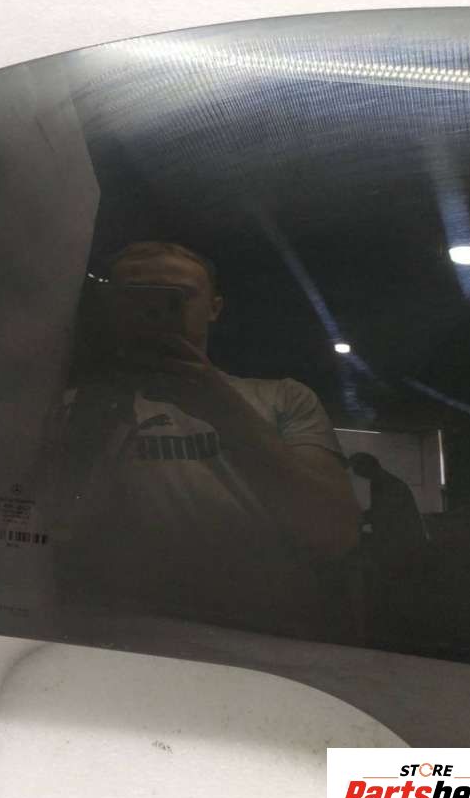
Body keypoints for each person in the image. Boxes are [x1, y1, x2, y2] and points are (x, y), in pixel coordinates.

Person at [48, 241, 362, 640]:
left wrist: (221, 406)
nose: (153, 310)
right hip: (114, 632)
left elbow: (335, 532)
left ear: (214, 307)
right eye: (135, 297)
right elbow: (46, 529)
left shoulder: (284, 398)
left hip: (264, 631)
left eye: (175, 296)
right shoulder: (72, 406)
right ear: (112, 307)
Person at [348, 452, 427, 652]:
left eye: (358, 469)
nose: (357, 474)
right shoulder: (381, 482)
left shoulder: (389, 485)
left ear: (368, 467)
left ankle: (406, 636)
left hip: (405, 547)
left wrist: (356, 519)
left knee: (402, 589)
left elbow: (384, 515)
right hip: (398, 546)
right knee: (397, 589)